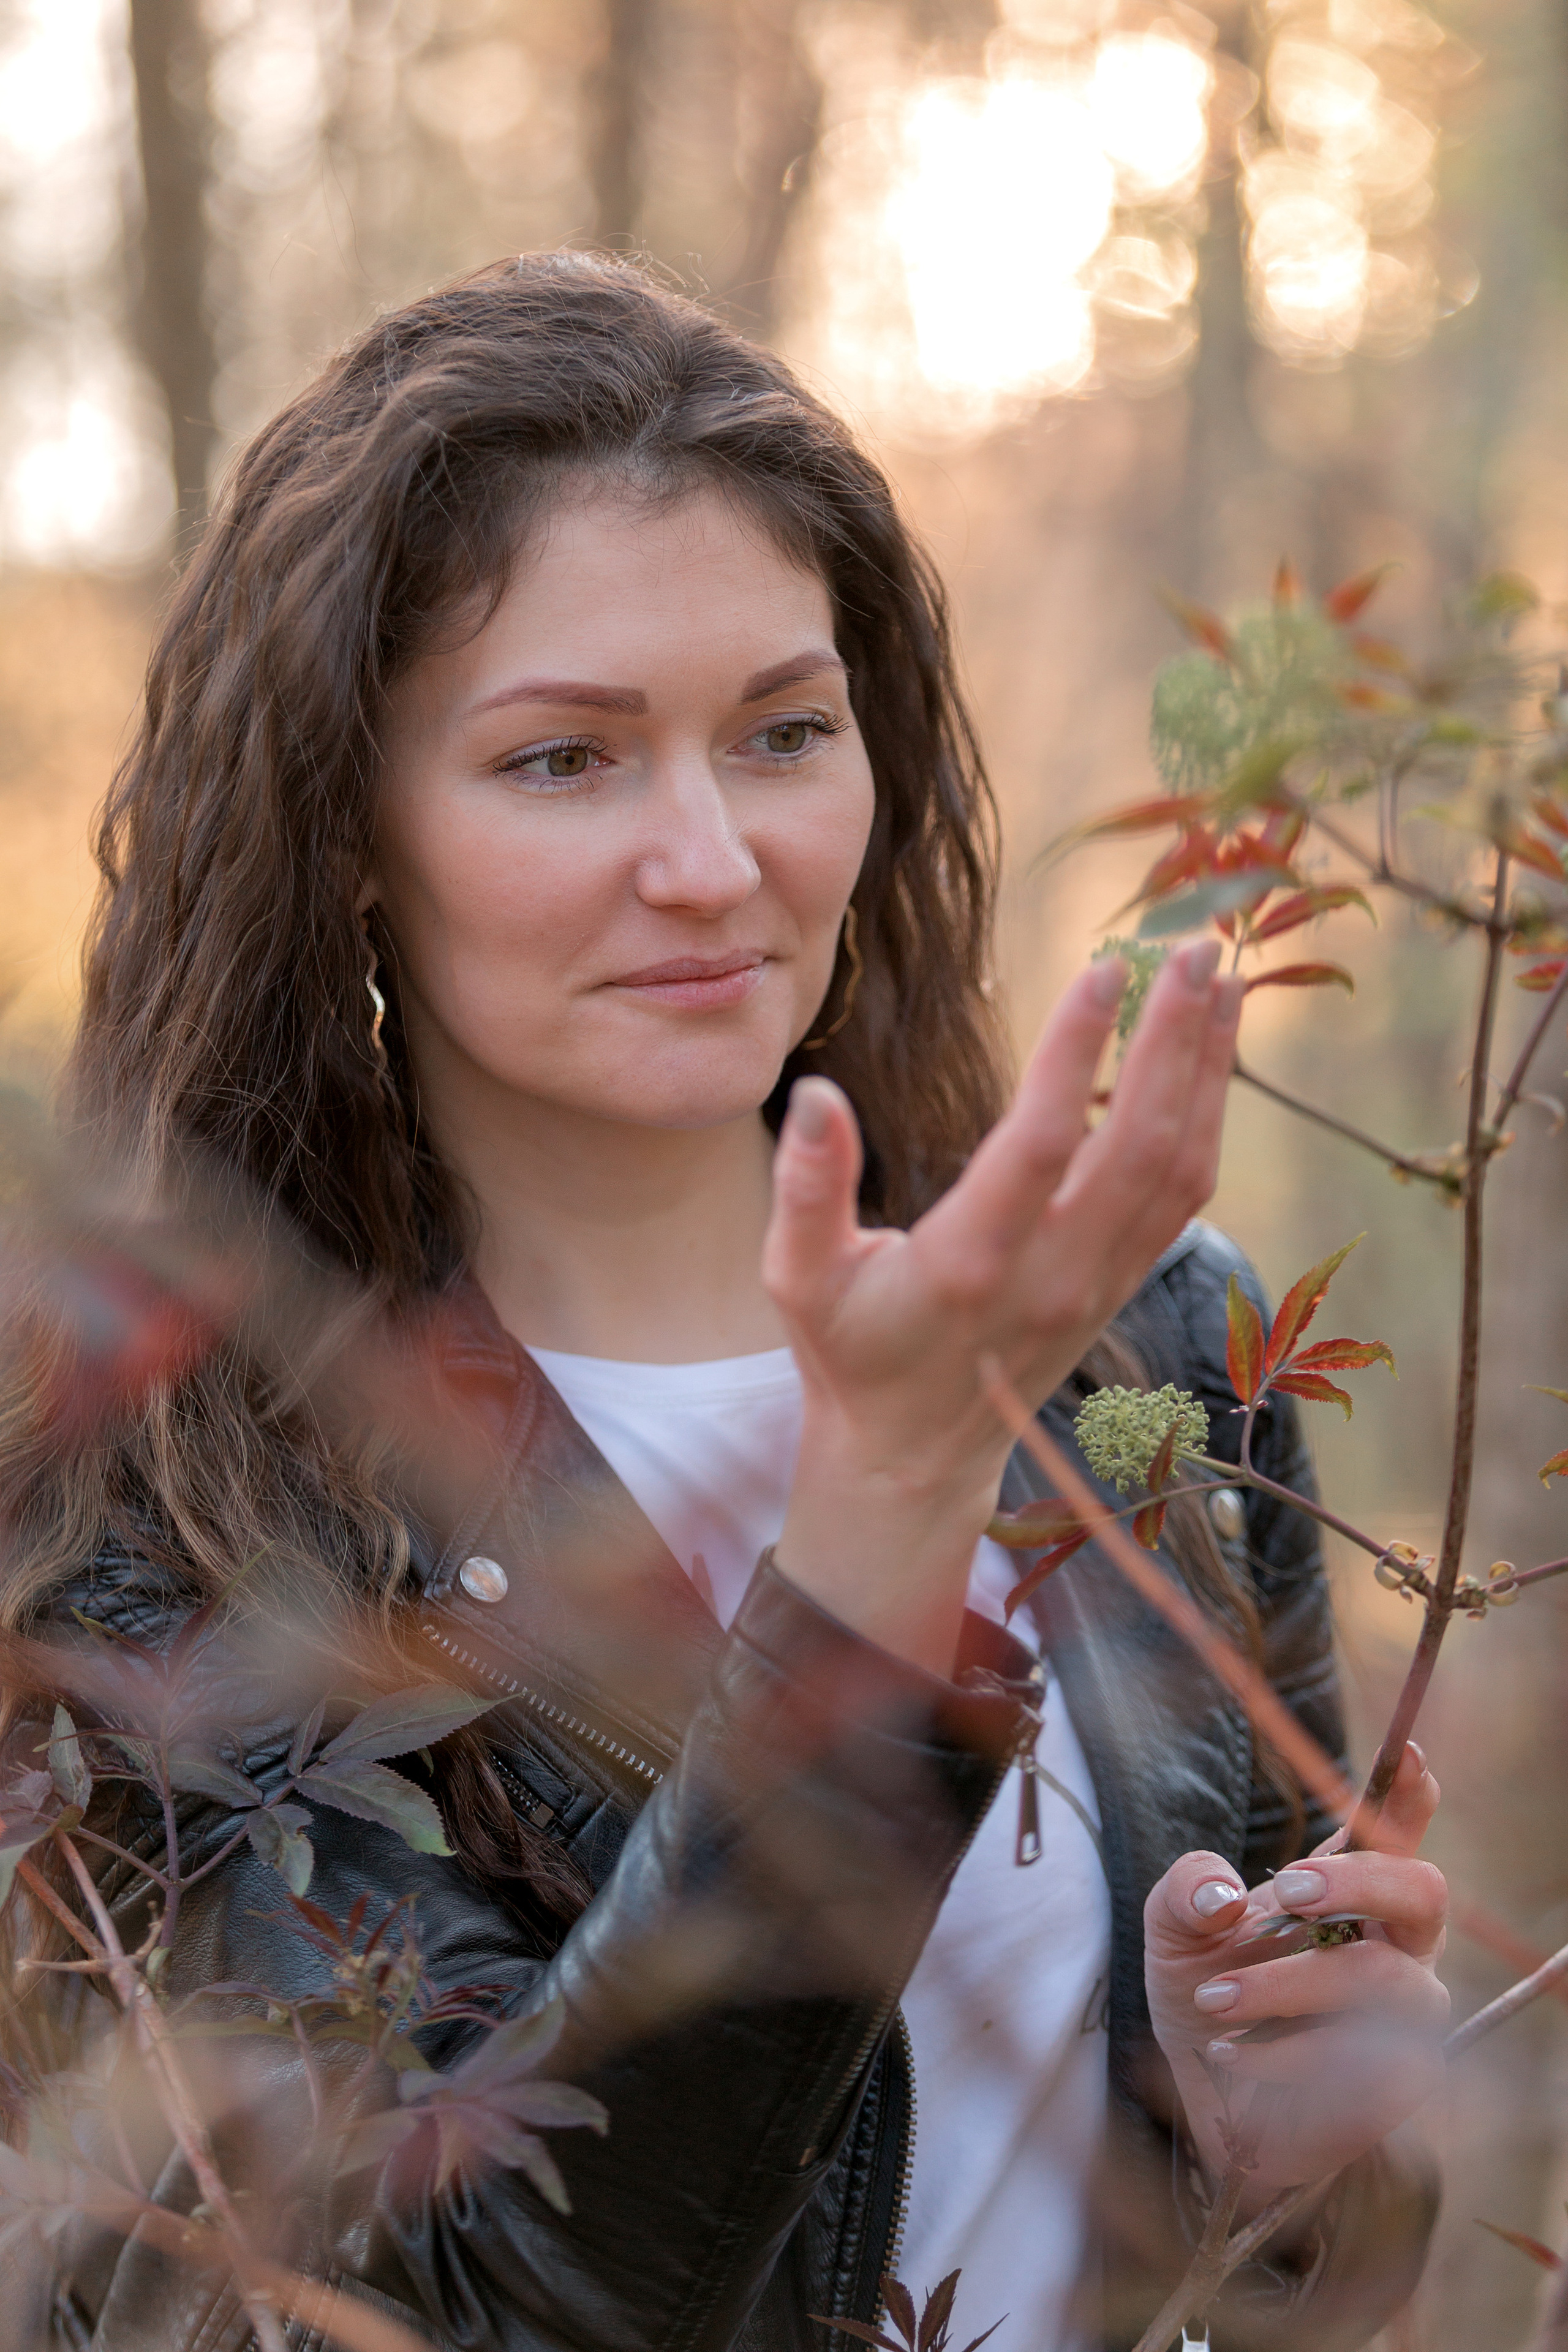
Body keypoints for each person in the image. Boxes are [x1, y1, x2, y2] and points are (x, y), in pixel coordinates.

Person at [1, 255, 1443, 2352]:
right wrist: (880, 1525)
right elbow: (432, 2312)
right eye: (564, 761)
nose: (710, 859)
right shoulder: (165, 1502)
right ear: (344, 834)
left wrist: (1301, 2166)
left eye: (782, 733)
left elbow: (1308, 2265)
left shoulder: (1154, 1353)